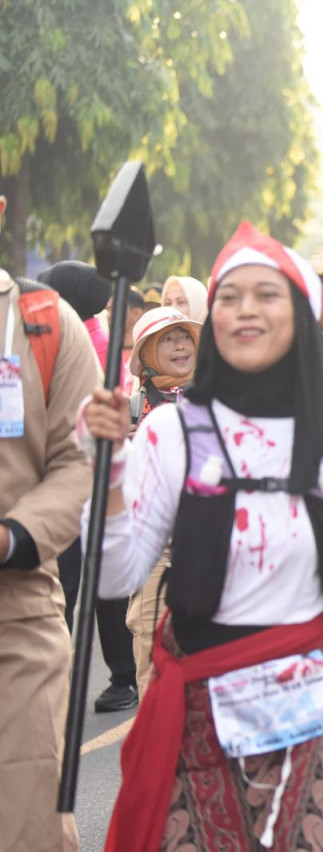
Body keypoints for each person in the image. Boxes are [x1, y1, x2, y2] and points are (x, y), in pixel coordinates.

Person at [79, 222, 323, 851]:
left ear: (299, 312)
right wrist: (103, 472)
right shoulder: (170, 435)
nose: (246, 310)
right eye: (230, 296)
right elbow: (115, 578)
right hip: (205, 703)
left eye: (267, 295)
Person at [1, 240, 98, 851]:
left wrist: (15, 536)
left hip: (17, 614)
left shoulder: (44, 322)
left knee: (29, 821)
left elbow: (83, 456)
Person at [37, 261, 140, 711]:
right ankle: (117, 677)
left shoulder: (81, 340)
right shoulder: (94, 336)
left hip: (82, 477)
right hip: (83, 476)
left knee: (69, 581)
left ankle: (57, 678)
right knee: (89, 582)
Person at [122, 307, 202, 697]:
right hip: (153, 549)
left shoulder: (216, 398)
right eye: (167, 338)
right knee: (153, 653)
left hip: (209, 545)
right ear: (148, 351)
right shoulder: (130, 407)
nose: (179, 345)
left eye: (184, 336)